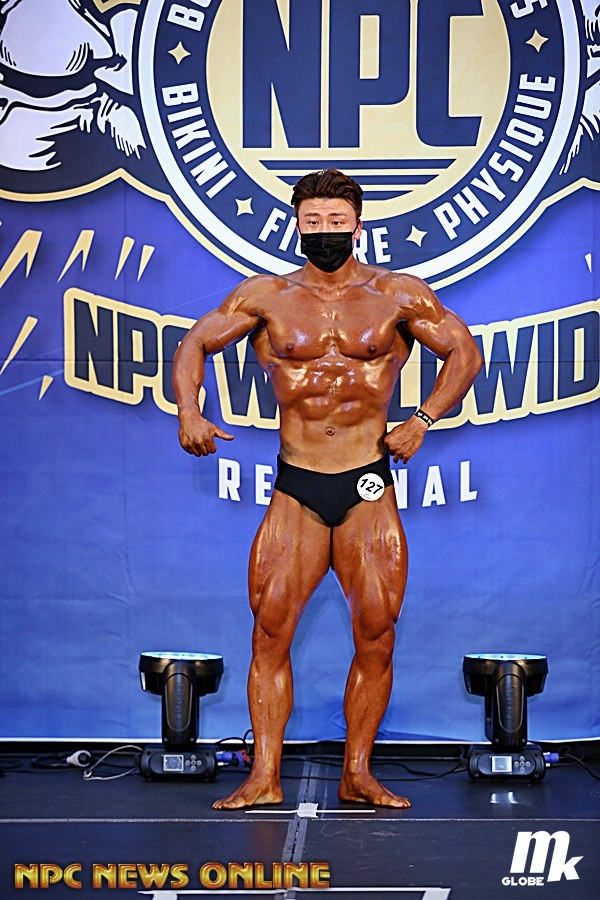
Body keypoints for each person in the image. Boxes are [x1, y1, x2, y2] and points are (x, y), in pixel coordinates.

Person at [173, 169, 483, 810]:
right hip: (298, 483)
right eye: (312, 221)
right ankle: (263, 777)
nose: (324, 231)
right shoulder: (267, 296)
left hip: (367, 481)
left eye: (335, 221)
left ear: (357, 225)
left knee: (377, 631)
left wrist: (422, 420)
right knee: (269, 632)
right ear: (297, 225)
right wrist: (189, 413)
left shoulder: (397, 295)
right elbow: (196, 342)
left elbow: (464, 352)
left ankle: (358, 774)